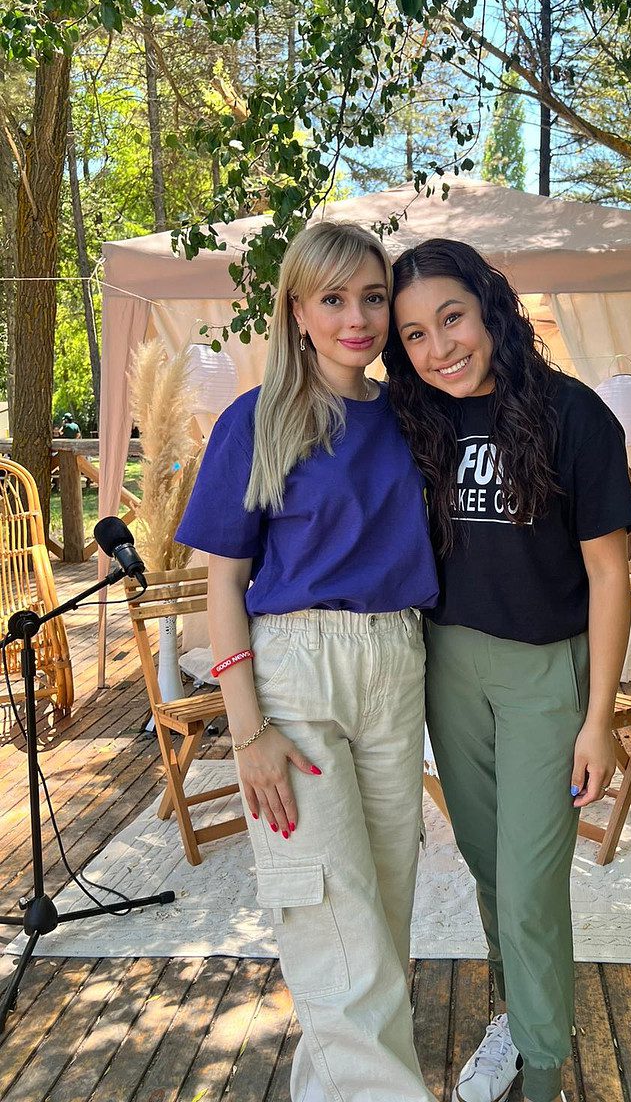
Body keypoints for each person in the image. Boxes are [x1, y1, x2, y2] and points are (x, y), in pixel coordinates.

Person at [176, 221, 439, 1102]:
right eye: (333, 298)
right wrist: (245, 729)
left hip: (397, 660)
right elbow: (222, 587)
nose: (356, 318)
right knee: (328, 911)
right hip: (293, 668)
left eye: (372, 297)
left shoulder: (412, 414)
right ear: (296, 309)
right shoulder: (258, 419)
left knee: (382, 913)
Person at [384, 239, 631, 1102]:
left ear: (490, 307)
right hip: (448, 665)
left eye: (451, 318)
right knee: (491, 868)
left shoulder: (574, 416)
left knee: (532, 881)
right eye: (415, 333)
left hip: (546, 675)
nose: (438, 347)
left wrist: (599, 718)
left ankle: (542, 1068)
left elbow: (610, 574)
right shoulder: (413, 419)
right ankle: (520, 1010)